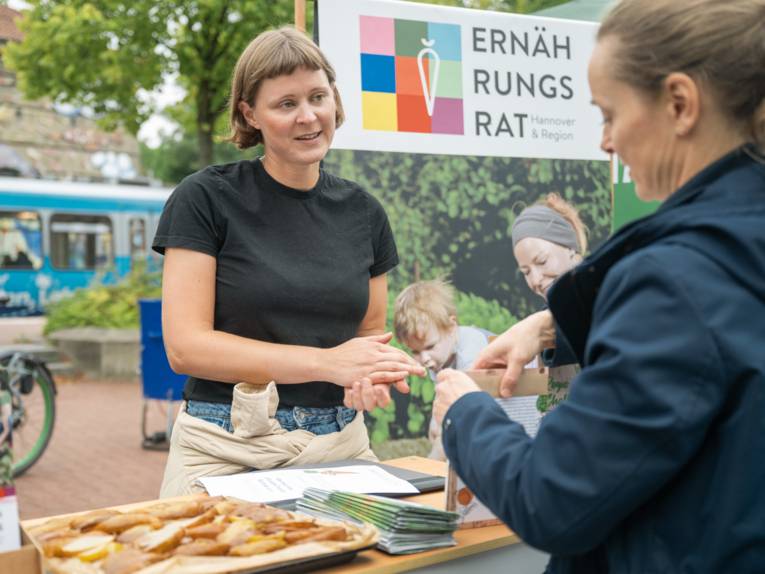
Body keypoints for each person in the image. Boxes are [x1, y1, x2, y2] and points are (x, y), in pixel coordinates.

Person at [433, 0, 765, 571]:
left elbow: (554, 498)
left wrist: (466, 411)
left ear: (680, 104)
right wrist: (549, 324)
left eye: (610, 113)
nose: (606, 141)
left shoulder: (672, 279)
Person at [153, 27, 424, 497]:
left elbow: (366, 336)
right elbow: (185, 348)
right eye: (286, 104)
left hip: (341, 446)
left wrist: (366, 378)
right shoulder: (203, 198)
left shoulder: (365, 212)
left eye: (318, 96)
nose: (309, 117)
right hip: (226, 446)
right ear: (249, 114)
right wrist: (327, 364)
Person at [392, 279, 495, 460]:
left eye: (430, 347)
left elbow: (463, 407)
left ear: (451, 327)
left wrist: (435, 456)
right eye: (415, 351)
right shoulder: (441, 357)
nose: (424, 359)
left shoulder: (471, 349)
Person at [511, 193, 587, 413]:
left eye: (542, 261)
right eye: (526, 272)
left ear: (571, 248)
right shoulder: (550, 312)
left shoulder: (602, 299)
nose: (535, 280)